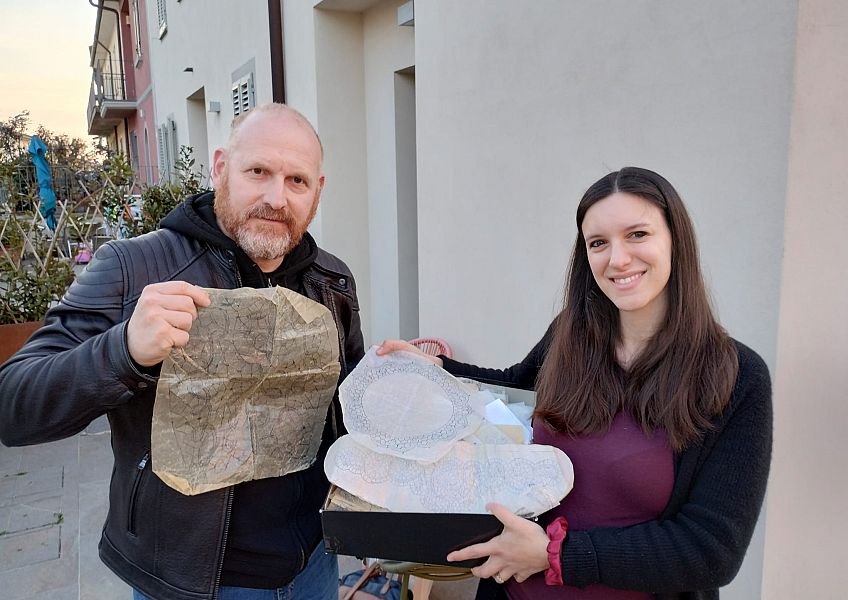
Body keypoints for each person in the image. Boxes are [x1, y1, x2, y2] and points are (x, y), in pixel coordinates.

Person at [0, 103, 365, 600]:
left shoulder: (331, 279)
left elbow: (344, 406)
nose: (276, 197)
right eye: (258, 171)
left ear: (317, 190)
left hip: (314, 567)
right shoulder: (133, 267)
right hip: (190, 581)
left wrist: (389, 382)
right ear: (221, 168)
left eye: (296, 181)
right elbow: (14, 406)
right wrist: (123, 351)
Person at [378, 167, 772, 600]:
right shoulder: (572, 334)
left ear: (675, 239)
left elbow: (710, 551)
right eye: (598, 243)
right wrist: (437, 369)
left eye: (637, 234)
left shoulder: (735, 377)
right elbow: (512, 388)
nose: (617, 259)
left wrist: (558, 556)